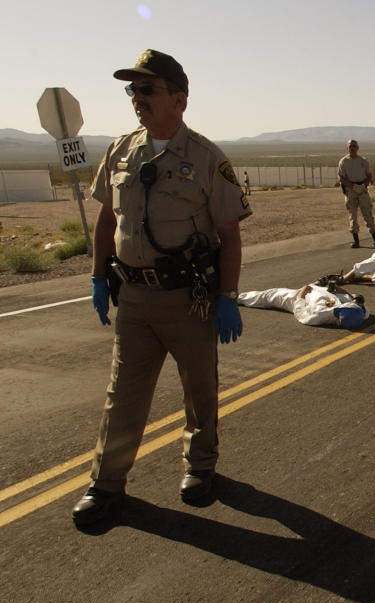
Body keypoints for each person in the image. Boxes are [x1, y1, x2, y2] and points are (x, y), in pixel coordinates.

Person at [73, 49, 252, 525]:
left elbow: (230, 234)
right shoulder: (119, 150)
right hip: (133, 298)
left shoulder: (208, 159)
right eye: (132, 89)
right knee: (123, 393)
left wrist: (227, 298)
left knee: (199, 390)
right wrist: (97, 274)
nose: (137, 98)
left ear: (179, 99)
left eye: (146, 88)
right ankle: (106, 485)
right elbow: (107, 217)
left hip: (187, 299)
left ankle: (200, 467)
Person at [238, 282, 367, 328]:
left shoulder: (318, 316)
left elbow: (299, 311)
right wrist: (338, 289)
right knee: (348, 297)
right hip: (324, 291)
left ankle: (236, 298)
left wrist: (302, 293)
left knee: (269, 295)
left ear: (339, 319)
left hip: (301, 297)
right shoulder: (361, 314)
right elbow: (356, 300)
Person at [337, 139, 375, 249]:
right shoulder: (343, 162)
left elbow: (369, 175)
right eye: (350, 146)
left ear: (357, 148)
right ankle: (356, 240)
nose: (352, 148)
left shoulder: (363, 161)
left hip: (362, 190)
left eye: (354, 146)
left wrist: (363, 186)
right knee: (352, 216)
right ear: (347, 148)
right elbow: (341, 177)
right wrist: (352, 186)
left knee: (368, 214)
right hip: (350, 190)